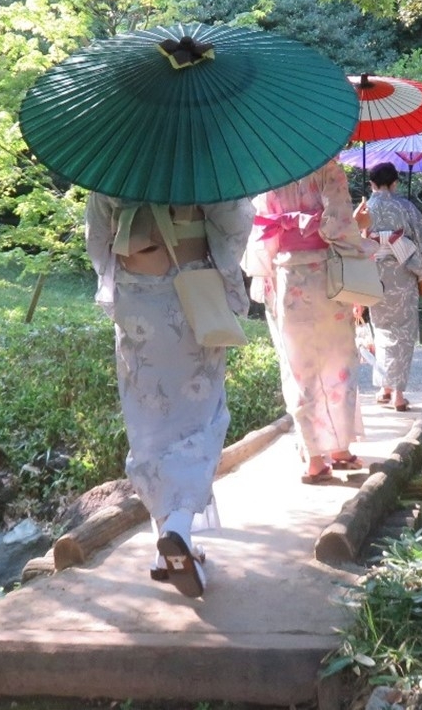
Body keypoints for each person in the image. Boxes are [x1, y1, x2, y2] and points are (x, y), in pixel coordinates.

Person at [86, 193, 254, 598]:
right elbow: (234, 224)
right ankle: (178, 524)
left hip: (135, 296)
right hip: (191, 289)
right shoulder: (202, 157)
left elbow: (97, 238)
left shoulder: (112, 165)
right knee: (204, 413)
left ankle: (169, 550)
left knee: (149, 419)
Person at [244, 159, 374, 484]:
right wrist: (357, 225)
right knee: (339, 362)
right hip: (328, 276)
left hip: (287, 278)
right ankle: (340, 450)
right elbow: (339, 225)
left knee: (298, 368)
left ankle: (314, 459)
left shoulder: (266, 169)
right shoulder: (328, 167)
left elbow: (259, 233)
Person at [364, 162, 422, 411]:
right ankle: (398, 394)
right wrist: (413, 250)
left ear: (371, 184)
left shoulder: (364, 210)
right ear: (395, 183)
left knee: (381, 330)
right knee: (404, 332)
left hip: (375, 274)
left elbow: (353, 243)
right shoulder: (405, 206)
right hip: (403, 272)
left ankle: (384, 388)